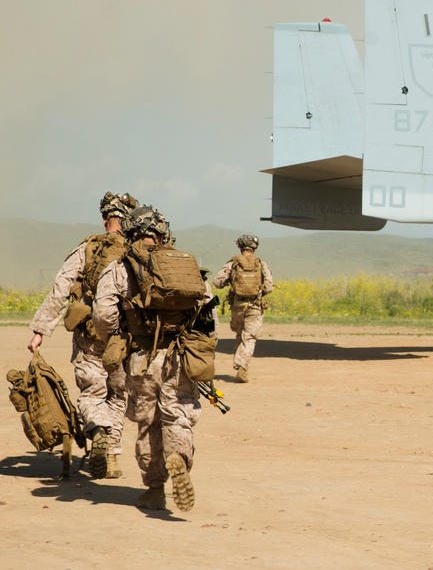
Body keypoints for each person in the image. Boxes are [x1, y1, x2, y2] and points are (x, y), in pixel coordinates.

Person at [92, 205, 213, 511]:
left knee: (147, 423)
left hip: (140, 359)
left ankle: (155, 489)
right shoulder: (184, 266)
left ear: (130, 233)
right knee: (179, 413)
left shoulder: (119, 268)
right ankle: (180, 458)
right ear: (162, 235)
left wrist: (118, 337)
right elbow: (208, 314)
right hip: (180, 356)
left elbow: (103, 315)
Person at [26, 191, 138, 479]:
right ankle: (111, 457)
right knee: (117, 395)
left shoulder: (88, 249)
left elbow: (60, 289)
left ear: (104, 220)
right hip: (124, 340)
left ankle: (98, 428)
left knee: (92, 392)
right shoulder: (136, 252)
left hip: (90, 336)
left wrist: (40, 330)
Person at [213, 234, 273, 383]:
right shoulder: (261, 264)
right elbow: (269, 287)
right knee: (250, 337)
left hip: (237, 307)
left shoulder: (232, 264)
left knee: (240, 336)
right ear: (254, 248)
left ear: (240, 247)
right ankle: (242, 366)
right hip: (254, 306)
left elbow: (217, 282)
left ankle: (239, 363)